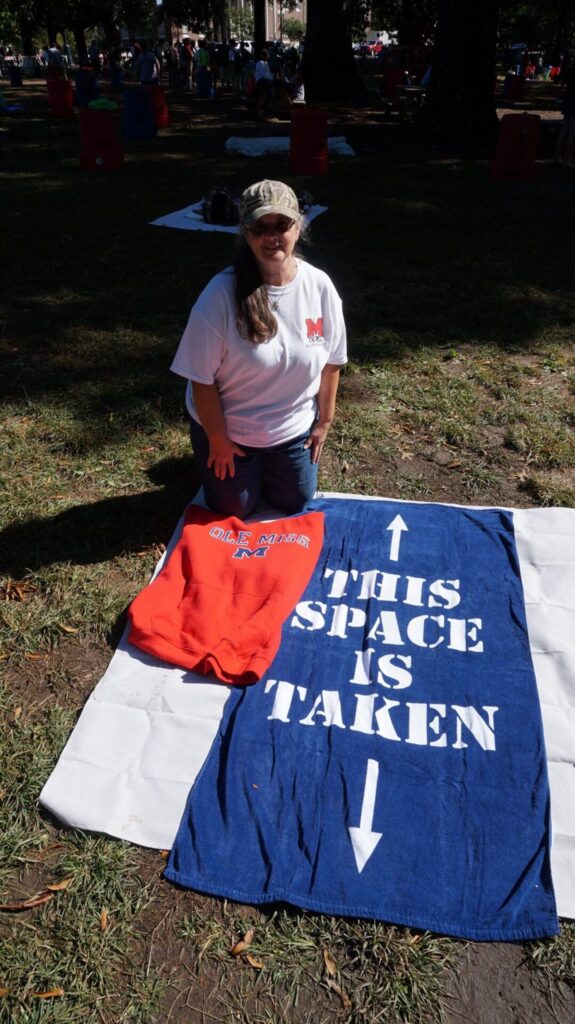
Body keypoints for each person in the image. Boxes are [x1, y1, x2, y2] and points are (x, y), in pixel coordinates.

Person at [170, 179, 347, 518]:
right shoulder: (219, 295)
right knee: (234, 508)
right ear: (245, 232)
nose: (272, 236)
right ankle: (208, 449)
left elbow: (333, 363)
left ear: (299, 226)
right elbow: (201, 380)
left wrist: (324, 421)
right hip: (231, 429)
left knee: (294, 501)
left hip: (291, 429)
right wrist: (218, 440)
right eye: (259, 226)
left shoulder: (320, 286)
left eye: (282, 224)